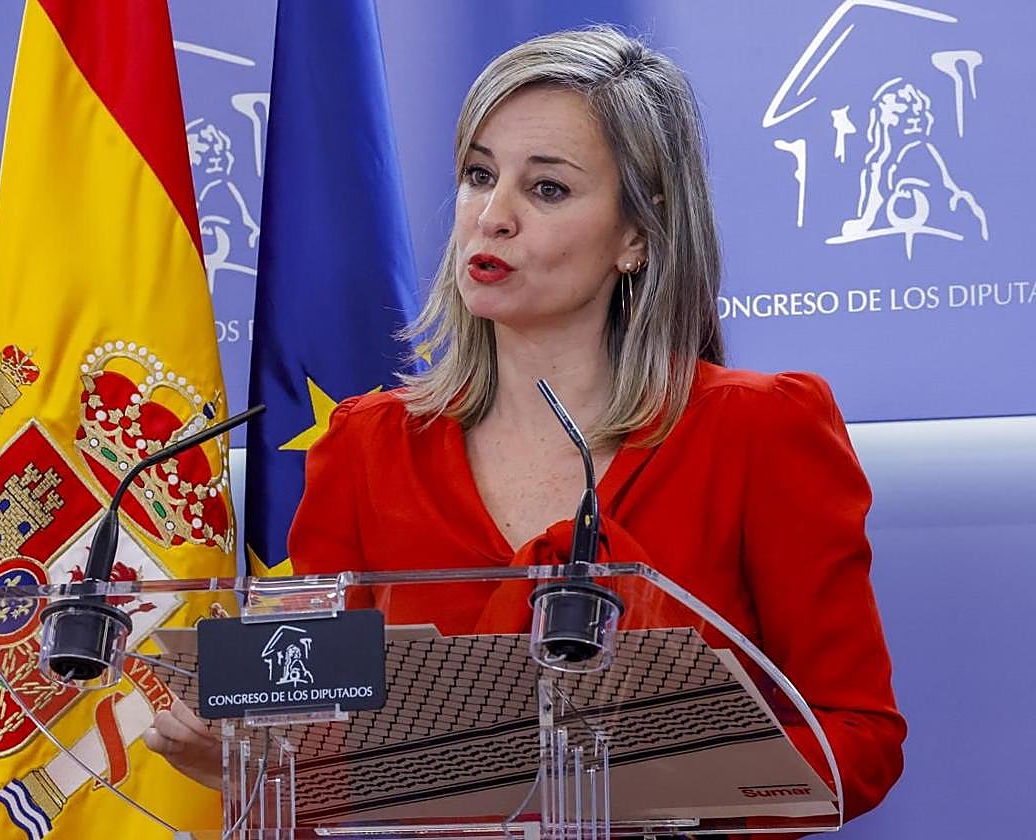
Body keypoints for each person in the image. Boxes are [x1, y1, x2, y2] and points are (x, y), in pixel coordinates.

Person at [146, 25, 906, 831]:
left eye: (547, 189)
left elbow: (855, 738)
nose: (491, 216)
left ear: (637, 237)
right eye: (479, 176)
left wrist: (659, 783)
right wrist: (248, 763)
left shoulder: (759, 429)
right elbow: (319, 729)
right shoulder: (368, 447)